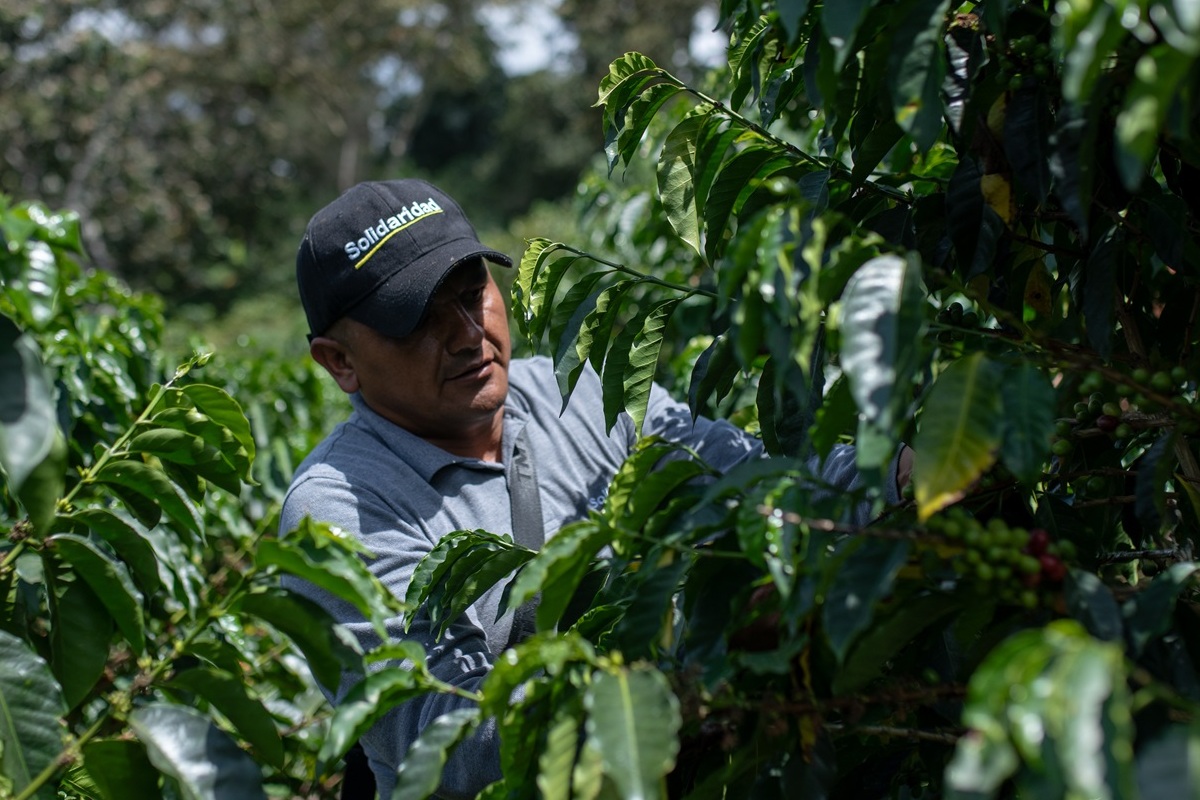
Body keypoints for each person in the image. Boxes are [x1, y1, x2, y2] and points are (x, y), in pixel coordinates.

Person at [279, 178, 910, 799]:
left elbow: (755, 475)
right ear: (340, 361)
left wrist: (909, 473)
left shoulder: (573, 393)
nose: (468, 334)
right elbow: (444, 739)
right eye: (417, 320)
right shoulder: (339, 509)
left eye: (474, 295)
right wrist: (690, 655)